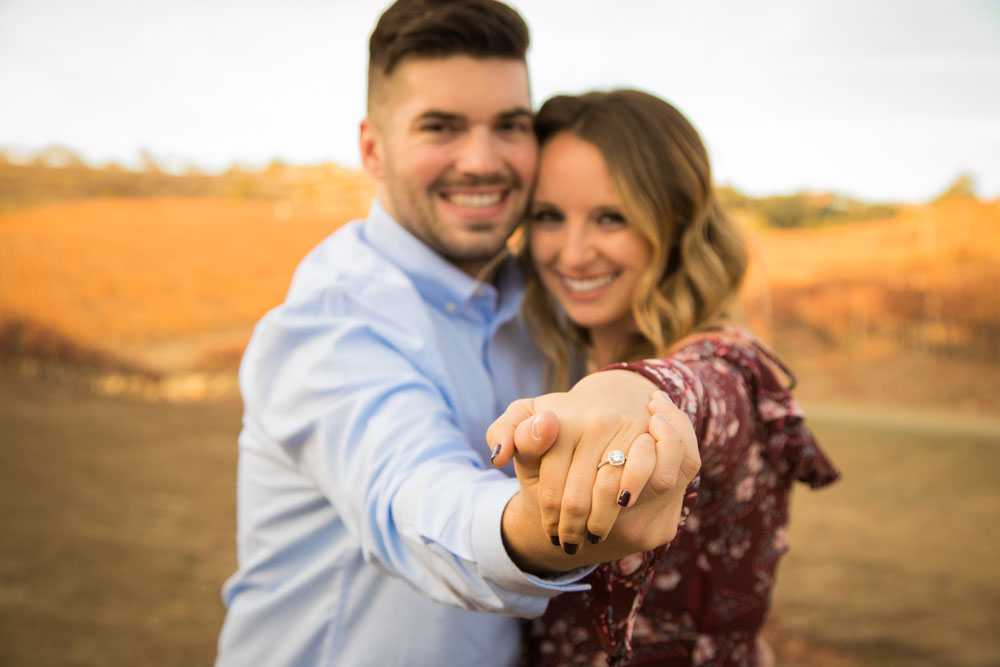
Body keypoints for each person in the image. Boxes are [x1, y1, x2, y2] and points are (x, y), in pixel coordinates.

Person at [215, 3, 698, 666]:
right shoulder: (329, 322)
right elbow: (413, 497)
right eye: (441, 126)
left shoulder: (548, 301)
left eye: (510, 125)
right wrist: (545, 521)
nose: (481, 161)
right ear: (372, 149)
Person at [490, 90, 841, 666]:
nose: (573, 252)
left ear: (674, 222)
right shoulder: (552, 358)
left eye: (611, 217)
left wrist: (627, 393)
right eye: (549, 216)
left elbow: (699, 392)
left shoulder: (729, 363)